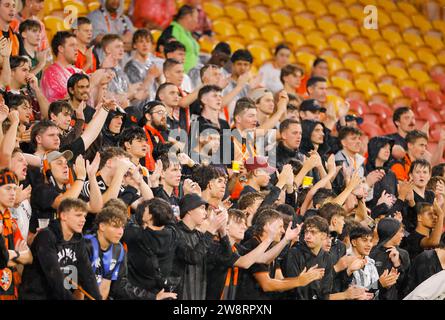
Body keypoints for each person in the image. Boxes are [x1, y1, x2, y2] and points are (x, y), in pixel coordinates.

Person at [84, 205, 176, 300]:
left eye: (122, 227)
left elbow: (108, 286)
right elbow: (72, 284)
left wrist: (153, 297)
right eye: (115, 226)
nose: (120, 232)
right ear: (102, 226)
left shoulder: (118, 250)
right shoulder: (85, 245)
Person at [20, 198, 102, 300]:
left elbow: (87, 273)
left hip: (59, 295)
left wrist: (98, 298)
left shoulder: (78, 239)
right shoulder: (46, 236)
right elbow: (54, 276)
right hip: (36, 295)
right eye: (78, 215)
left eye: (84, 216)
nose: (83, 220)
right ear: (63, 216)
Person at [236, 210, 323, 300]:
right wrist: (299, 281)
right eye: (280, 226)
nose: (283, 230)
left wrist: (302, 279)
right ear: (267, 226)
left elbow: (280, 280)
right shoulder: (253, 246)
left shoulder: (271, 249)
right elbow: (267, 285)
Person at [30, 151, 103, 236]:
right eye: (59, 163)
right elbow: (63, 203)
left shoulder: (70, 192)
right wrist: (80, 178)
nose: (65, 166)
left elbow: (96, 207)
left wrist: (91, 176)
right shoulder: (41, 189)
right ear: (46, 169)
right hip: (48, 244)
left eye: (66, 163)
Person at [172, 193, 228, 299]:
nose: (205, 214)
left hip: (199, 294)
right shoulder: (174, 232)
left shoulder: (199, 235)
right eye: (202, 208)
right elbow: (192, 257)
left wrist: (223, 231)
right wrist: (211, 230)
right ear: (189, 210)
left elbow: (226, 256)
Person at [0, 168, 33, 299]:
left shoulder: (11, 221)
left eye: (14, 189)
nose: (13, 193)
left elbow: (29, 257)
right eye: (8, 188)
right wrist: (15, 258)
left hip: (9, 290)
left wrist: (14, 254)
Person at [348, 225, 399, 299]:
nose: (369, 245)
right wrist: (379, 284)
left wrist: (386, 285)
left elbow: (375, 293)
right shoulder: (345, 262)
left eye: (371, 241)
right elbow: (355, 295)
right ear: (354, 242)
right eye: (364, 240)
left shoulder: (370, 263)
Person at [369, 217, 410, 300]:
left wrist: (397, 265)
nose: (403, 235)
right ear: (391, 233)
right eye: (400, 232)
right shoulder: (370, 253)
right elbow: (364, 287)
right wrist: (379, 284)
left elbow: (405, 285)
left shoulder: (403, 254)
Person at [41, 31, 82, 103]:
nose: (76, 49)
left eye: (76, 45)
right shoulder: (50, 74)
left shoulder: (79, 72)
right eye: (72, 45)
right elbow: (58, 105)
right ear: (61, 49)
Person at [157, 5, 200, 73]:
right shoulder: (173, 30)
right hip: (180, 73)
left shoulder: (188, 34)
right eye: (196, 17)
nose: (197, 21)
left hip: (192, 75)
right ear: (188, 17)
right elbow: (162, 48)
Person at [124, 29, 160, 102]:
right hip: (139, 109)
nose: (145, 45)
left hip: (154, 105)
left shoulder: (154, 63)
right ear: (134, 45)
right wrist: (150, 76)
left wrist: (159, 79)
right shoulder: (130, 66)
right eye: (141, 41)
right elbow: (136, 95)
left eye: (147, 41)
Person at [8, 55, 49, 120]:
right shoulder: (3, 94)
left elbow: (47, 115)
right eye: (24, 70)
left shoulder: (27, 94)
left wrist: (36, 88)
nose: (28, 74)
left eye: (28, 70)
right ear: (12, 72)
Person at [365, 136, 398, 210]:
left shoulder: (391, 174)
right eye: (384, 147)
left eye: (389, 149)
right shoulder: (364, 171)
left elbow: (395, 197)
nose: (388, 151)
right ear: (374, 149)